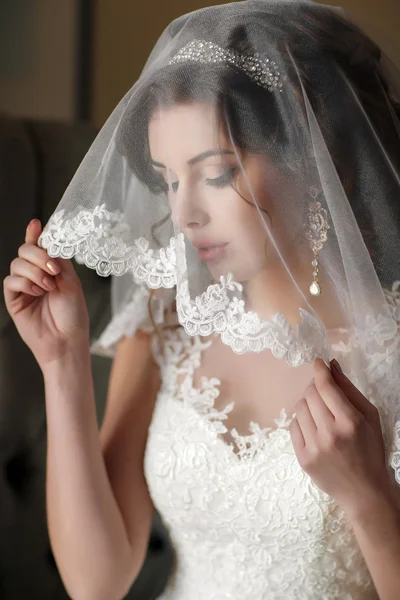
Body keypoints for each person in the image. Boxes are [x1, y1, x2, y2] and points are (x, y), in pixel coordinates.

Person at [3, 1, 400, 598]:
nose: (184, 216)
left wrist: (370, 498)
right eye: (168, 180)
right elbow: (96, 582)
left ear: (322, 163)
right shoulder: (169, 316)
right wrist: (63, 364)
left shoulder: (390, 346)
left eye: (216, 174)